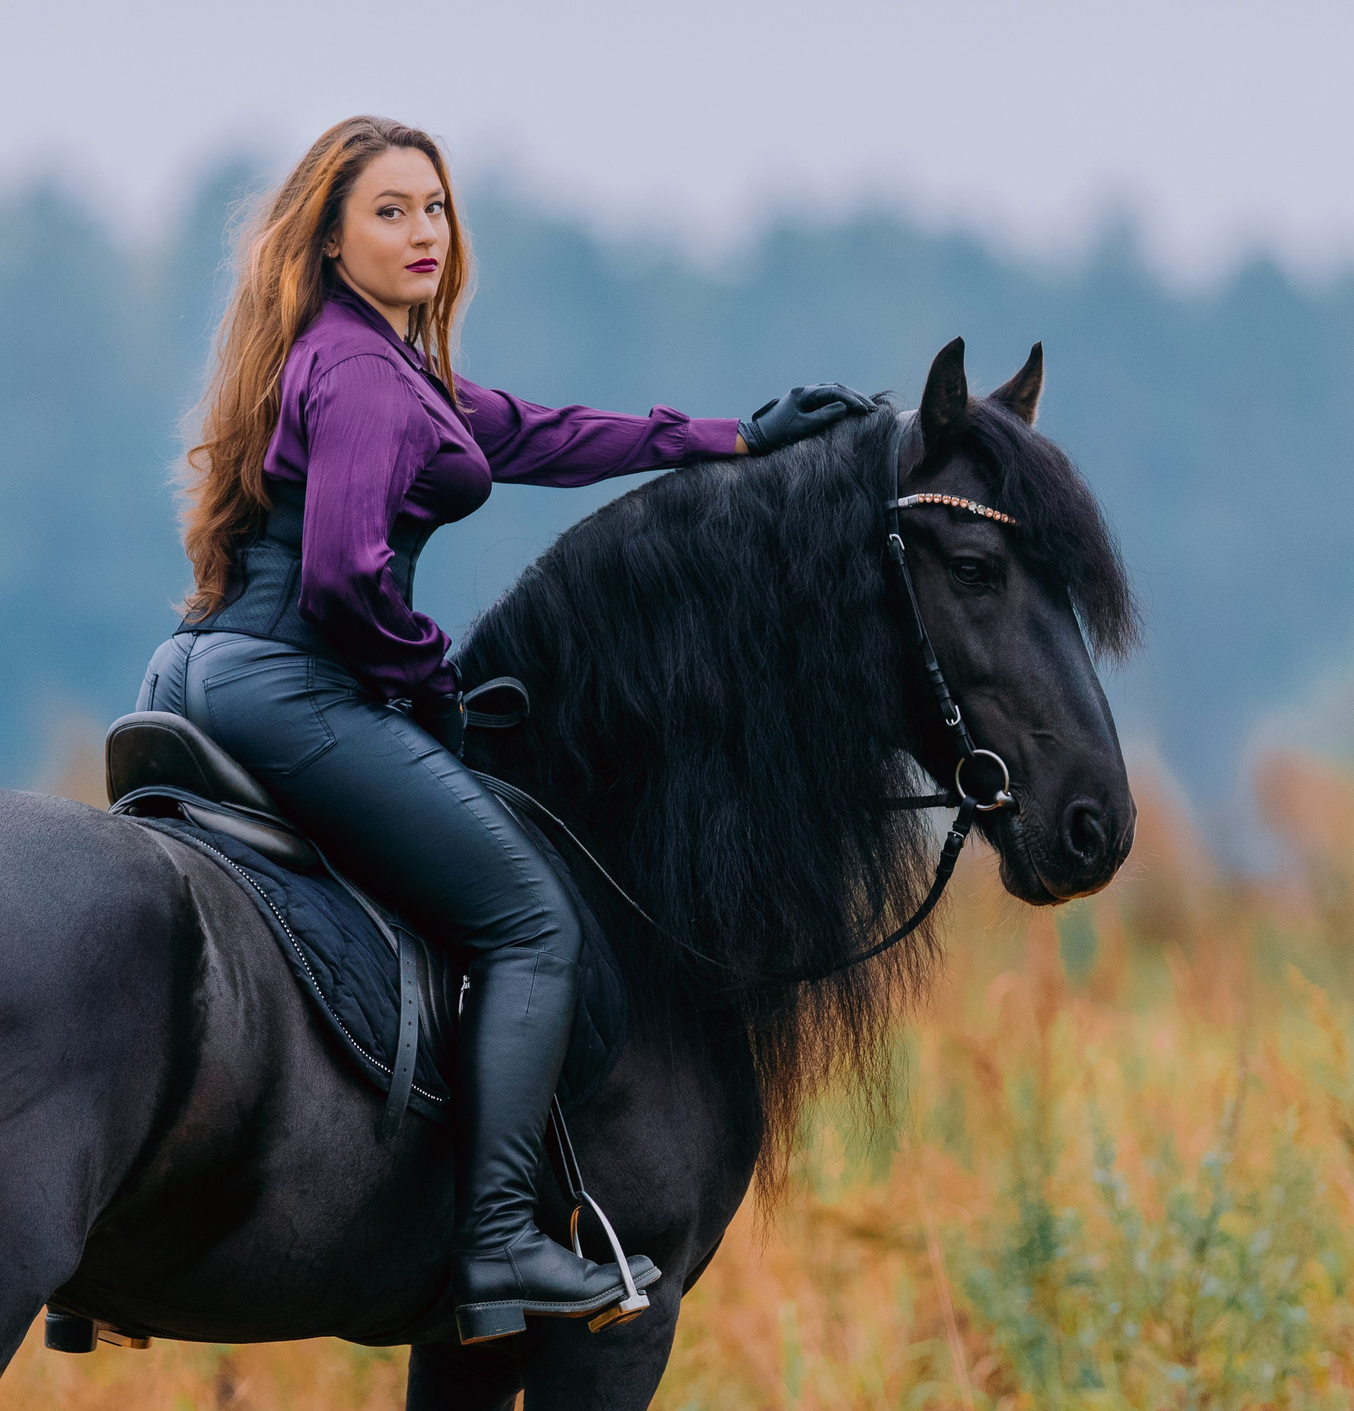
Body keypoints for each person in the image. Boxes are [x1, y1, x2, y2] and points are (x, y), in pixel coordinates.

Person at [137, 115, 868, 1342]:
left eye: (433, 208)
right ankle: (494, 1251)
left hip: (203, 672)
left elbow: (535, 433)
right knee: (532, 923)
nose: (422, 231)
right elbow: (341, 583)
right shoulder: (365, 375)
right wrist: (431, 680)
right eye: (388, 211)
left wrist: (733, 435)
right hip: (295, 683)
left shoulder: (370, 361)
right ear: (326, 240)